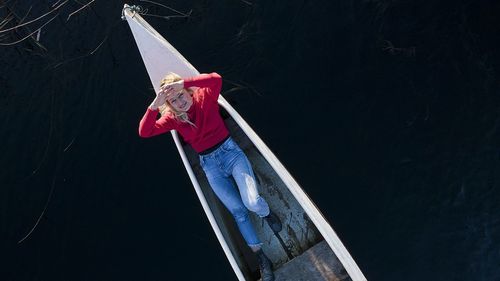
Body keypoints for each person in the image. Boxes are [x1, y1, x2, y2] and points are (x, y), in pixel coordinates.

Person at [138, 72, 282, 281]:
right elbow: (145, 131)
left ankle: (266, 213)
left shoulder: (204, 97)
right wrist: (155, 105)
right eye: (174, 101)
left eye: (181, 95)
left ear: (187, 91)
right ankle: (261, 258)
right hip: (210, 166)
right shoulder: (173, 119)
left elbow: (216, 79)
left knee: (252, 203)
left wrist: (183, 82)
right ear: (169, 105)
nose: (181, 102)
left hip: (231, 154)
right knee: (238, 212)